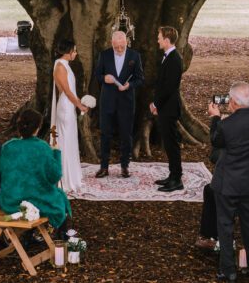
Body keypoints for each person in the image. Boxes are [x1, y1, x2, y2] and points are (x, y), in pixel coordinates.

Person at [208, 82, 249, 282]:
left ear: (233, 102)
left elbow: (216, 141)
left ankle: (228, 269)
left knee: (225, 225)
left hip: (228, 183)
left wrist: (215, 118)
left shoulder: (227, 125)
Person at [197, 106, 249, 251]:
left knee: (212, 190)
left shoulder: (241, 143)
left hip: (246, 191)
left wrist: (222, 128)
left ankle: (211, 237)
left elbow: (215, 157)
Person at [0, 108, 71, 235]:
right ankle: (63, 239)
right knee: (60, 198)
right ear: (37, 128)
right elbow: (55, 176)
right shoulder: (42, 147)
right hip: (36, 202)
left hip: (10, 202)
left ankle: (30, 236)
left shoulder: (7, 146)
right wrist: (56, 153)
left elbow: (1, 171)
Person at [92, 30, 144, 178]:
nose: (120, 50)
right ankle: (104, 167)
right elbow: (97, 75)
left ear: (126, 42)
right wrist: (104, 79)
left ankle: (125, 166)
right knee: (105, 134)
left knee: (126, 134)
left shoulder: (135, 56)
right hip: (107, 100)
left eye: (122, 46)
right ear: (112, 43)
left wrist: (129, 85)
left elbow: (140, 78)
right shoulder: (104, 54)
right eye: (117, 47)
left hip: (126, 102)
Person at [51, 39, 88, 195]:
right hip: (66, 108)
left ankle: (71, 175)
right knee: (65, 141)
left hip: (69, 106)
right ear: (68, 51)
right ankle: (65, 179)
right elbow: (66, 91)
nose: (76, 53)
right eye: (74, 50)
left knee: (70, 140)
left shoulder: (64, 64)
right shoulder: (60, 66)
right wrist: (80, 104)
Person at [151, 26, 184, 192]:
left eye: (159, 37)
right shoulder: (168, 57)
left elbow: (169, 87)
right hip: (165, 106)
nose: (157, 39)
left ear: (166, 39)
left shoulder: (175, 59)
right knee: (168, 143)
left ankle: (177, 179)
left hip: (169, 108)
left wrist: (156, 103)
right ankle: (172, 175)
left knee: (172, 144)